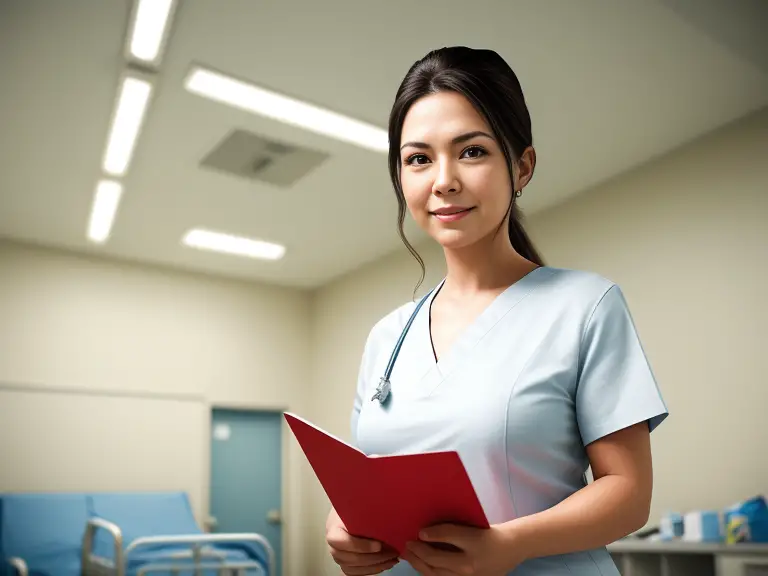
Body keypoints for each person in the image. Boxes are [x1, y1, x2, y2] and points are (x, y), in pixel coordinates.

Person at [325, 46, 668, 576]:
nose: (443, 180)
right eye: (418, 158)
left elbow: (628, 493)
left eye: (472, 152)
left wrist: (513, 544)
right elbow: (368, 480)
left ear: (521, 166)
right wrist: (344, 526)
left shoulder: (585, 307)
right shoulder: (387, 336)